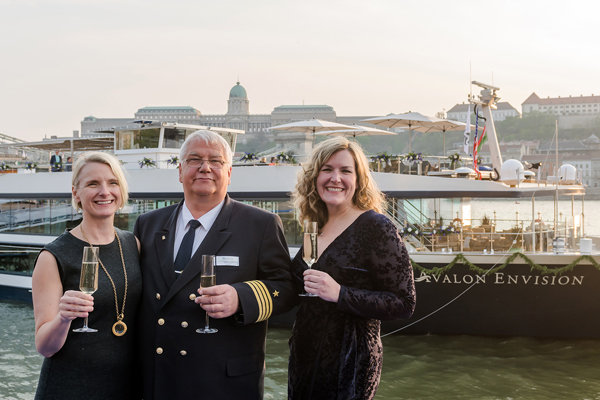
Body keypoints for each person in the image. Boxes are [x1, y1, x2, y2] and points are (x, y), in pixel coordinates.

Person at [134, 130, 295, 400]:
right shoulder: (148, 223)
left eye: (216, 161)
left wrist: (241, 298)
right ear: (180, 171)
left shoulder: (261, 224)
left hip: (223, 382)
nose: (205, 167)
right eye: (194, 159)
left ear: (229, 172)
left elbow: (286, 289)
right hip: (159, 377)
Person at [288, 137, 416, 400]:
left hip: (349, 363)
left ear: (358, 180)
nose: (335, 178)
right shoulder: (315, 225)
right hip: (304, 358)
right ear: (315, 177)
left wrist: (340, 293)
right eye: (327, 169)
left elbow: (404, 303)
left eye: (346, 171)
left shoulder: (377, 227)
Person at [32, 152, 142, 400]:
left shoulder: (132, 244)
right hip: (70, 388)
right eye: (93, 184)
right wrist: (63, 318)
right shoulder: (53, 256)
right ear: (76, 193)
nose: (104, 191)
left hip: (125, 387)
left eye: (112, 182)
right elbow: (44, 346)